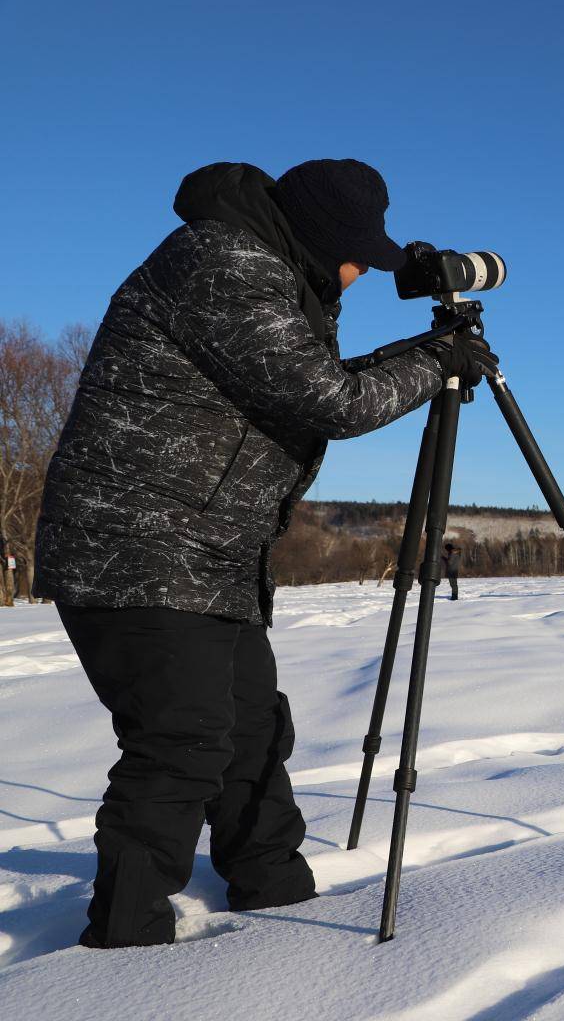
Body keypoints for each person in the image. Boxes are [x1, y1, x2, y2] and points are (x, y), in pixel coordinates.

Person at [33, 159, 498, 949]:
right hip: (135, 546)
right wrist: (431, 365)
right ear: (322, 238)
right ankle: (123, 942)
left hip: (208, 551)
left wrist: (422, 353)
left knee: (251, 730)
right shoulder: (225, 264)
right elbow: (328, 401)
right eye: (358, 257)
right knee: (182, 741)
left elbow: (308, 380)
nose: (357, 276)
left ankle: (274, 890)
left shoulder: (271, 272)